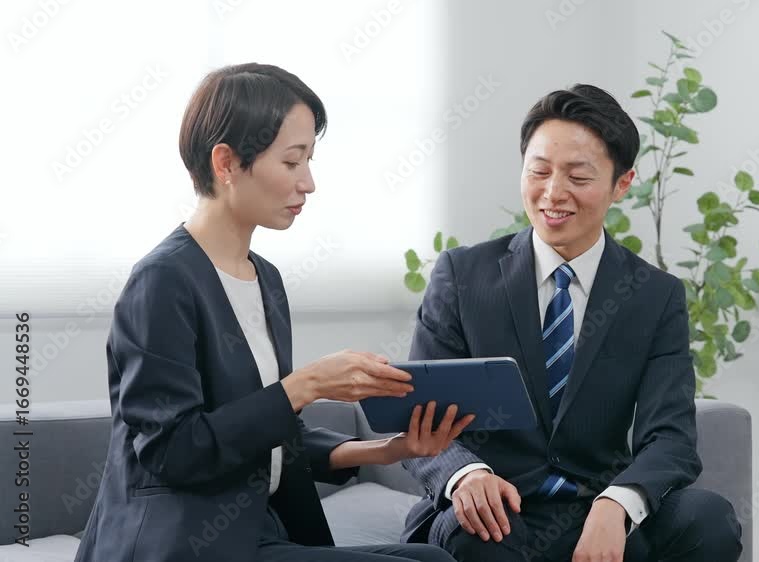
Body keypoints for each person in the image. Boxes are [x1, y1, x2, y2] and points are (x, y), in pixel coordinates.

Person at [73, 63, 467, 562]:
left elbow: (271, 433)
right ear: (226, 163)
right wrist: (307, 385)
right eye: (292, 161)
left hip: (259, 528)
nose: (309, 183)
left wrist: (388, 451)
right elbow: (173, 451)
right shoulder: (161, 282)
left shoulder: (266, 279)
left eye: (309, 160)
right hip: (184, 540)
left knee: (435, 558)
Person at [400, 84, 743, 561]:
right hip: (496, 509)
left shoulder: (655, 295)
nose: (553, 193)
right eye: (539, 171)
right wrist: (467, 475)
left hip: (599, 508)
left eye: (578, 177)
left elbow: (671, 438)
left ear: (622, 183)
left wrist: (618, 503)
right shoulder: (462, 276)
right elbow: (420, 416)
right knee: (477, 534)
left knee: (710, 519)